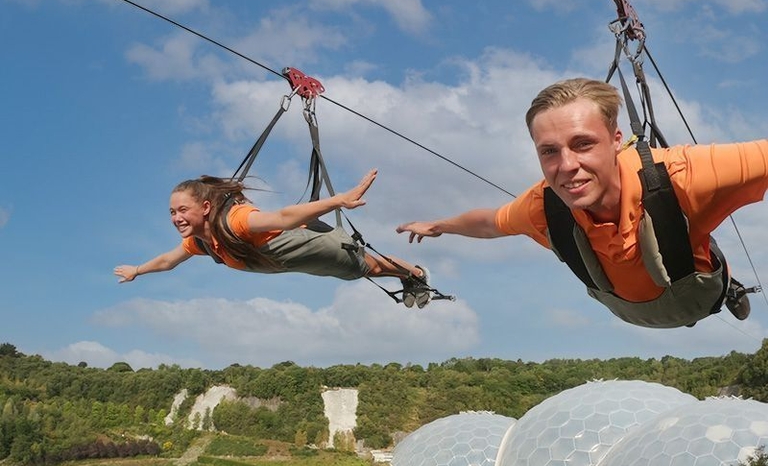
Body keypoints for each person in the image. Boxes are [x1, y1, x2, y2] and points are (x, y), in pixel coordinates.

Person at [397, 77, 768, 328]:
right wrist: (440, 226)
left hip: (697, 294)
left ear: (616, 139)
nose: (567, 166)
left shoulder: (683, 174)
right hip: (629, 308)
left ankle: (730, 285)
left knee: (673, 227)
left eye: (583, 144)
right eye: (549, 152)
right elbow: (492, 222)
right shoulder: (545, 206)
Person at [115, 168, 432, 308]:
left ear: (206, 207)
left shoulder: (236, 221)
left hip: (298, 244)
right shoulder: (199, 243)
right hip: (289, 261)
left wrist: (339, 201)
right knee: (361, 272)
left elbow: (282, 217)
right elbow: (169, 260)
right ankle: (409, 275)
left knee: (368, 268)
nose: (176, 218)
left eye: (182, 210)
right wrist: (138, 271)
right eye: (172, 213)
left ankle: (415, 274)